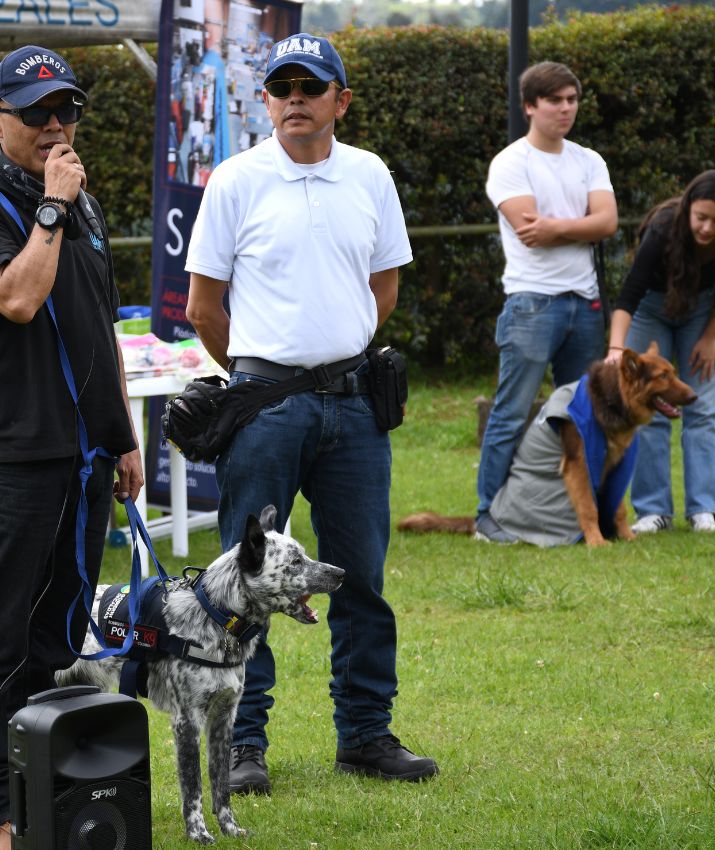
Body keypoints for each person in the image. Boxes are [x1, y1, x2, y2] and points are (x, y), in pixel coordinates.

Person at [185, 32, 438, 796]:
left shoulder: (370, 175)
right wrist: (263, 379)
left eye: (311, 86)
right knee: (241, 584)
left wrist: (338, 358)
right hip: (266, 408)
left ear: (341, 99)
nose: (295, 98)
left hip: (356, 406)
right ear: (264, 99)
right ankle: (241, 746)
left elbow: (383, 287)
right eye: (281, 87)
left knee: (359, 574)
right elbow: (203, 308)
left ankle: (365, 736)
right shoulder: (233, 179)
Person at [0, 46, 143, 850]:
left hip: (84, 460)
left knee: (56, 642)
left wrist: (122, 438)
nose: (56, 126)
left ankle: (33, 796)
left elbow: (100, 331)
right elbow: (19, 299)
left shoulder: (84, 208)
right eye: (36, 113)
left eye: (66, 111)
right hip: (10, 461)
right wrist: (52, 207)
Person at [475, 61, 618, 543]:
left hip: (585, 302)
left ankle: (586, 517)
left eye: (572, 99)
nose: (565, 109)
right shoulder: (511, 163)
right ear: (530, 106)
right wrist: (580, 225)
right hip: (532, 303)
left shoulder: (589, 160)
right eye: (555, 100)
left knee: (588, 415)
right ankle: (487, 519)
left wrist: (556, 226)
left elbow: (607, 223)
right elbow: (527, 232)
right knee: (511, 413)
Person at [606, 170, 715, 533]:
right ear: (688, 208)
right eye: (701, 217)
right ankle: (653, 511)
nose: (707, 228)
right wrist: (616, 348)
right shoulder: (663, 228)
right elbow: (628, 295)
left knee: (702, 403)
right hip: (651, 308)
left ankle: (704, 509)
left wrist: (709, 336)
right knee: (649, 405)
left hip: (703, 311)